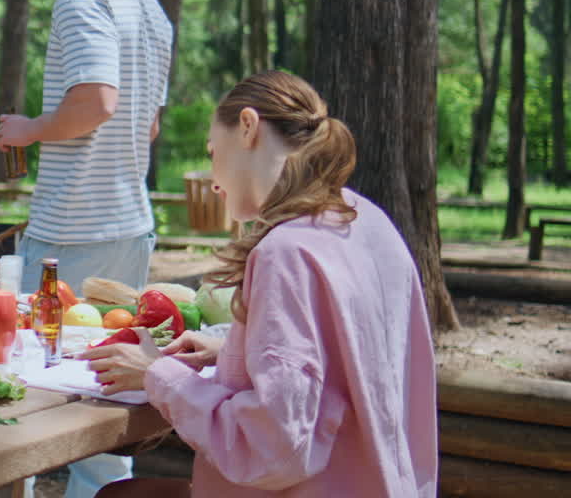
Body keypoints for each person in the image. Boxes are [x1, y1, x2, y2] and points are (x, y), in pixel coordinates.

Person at [83, 71, 438, 498]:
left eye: (214, 152)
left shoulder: (284, 252)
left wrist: (156, 373)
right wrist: (235, 351)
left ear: (248, 127)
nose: (213, 181)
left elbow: (275, 448)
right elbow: (351, 357)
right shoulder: (366, 218)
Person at [0, 0, 173, 498]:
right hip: (130, 223)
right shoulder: (148, 4)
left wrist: (28, 129)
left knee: (20, 393)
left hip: (73, 229)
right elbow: (144, 127)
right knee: (102, 404)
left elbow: (97, 102)